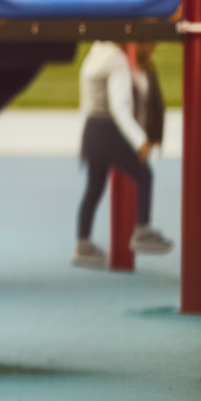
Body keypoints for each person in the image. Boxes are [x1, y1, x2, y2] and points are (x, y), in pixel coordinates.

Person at [73, 41, 174, 267]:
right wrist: (140, 141)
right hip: (108, 129)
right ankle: (142, 229)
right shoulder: (117, 59)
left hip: (91, 129)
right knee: (144, 175)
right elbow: (120, 108)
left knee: (94, 186)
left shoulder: (92, 56)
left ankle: (82, 243)